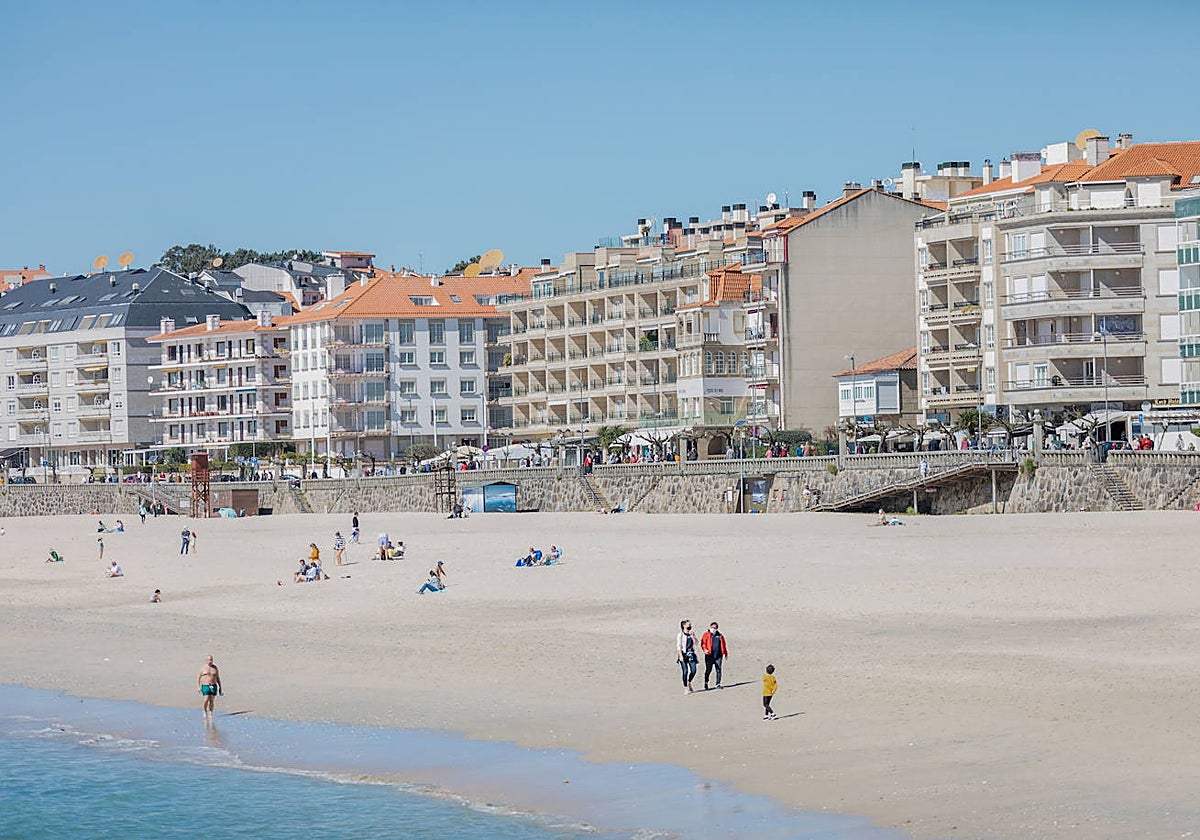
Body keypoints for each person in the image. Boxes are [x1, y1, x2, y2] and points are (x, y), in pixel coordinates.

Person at [701, 622, 729, 690]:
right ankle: (706, 682)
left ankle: (718, 684)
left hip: (718, 655)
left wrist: (725, 653)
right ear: (710, 627)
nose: (713, 629)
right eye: (712, 627)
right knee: (708, 670)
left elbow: (723, 645)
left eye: (715, 628)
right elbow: (703, 643)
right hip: (709, 655)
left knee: (718, 669)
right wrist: (705, 649)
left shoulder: (720, 636)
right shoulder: (706, 634)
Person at [676, 620, 700, 695]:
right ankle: (686, 687)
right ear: (684, 626)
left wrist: (693, 636)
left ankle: (689, 682)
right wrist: (680, 656)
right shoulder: (680, 635)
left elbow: (696, 643)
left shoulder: (691, 633)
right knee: (685, 671)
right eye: (688, 625)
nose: (690, 626)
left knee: (693, 670)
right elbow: (679, 646)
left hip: (691, 654)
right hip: (683, 654)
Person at [198, 654, 222, 720]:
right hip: (205, 685)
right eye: (208, 660)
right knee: (206, 699)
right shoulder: (203, 668)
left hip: (213, 685)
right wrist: (198, 686)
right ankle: (204, 711)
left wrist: (220, 687)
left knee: (212, 700)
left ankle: (211, 712)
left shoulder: (215, 668)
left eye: (211, 660)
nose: (210, 661)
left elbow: (217, 678)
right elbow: (198, 677)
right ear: (206, 660)